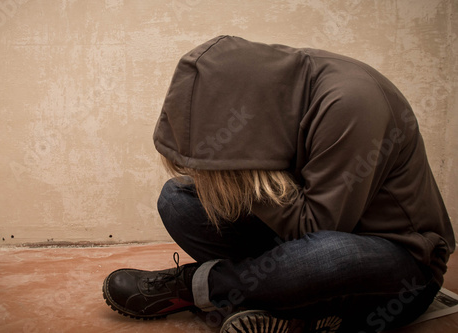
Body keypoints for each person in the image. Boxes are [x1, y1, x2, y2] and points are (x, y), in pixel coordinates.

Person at [102, 35, 455, 333]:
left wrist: (240, 170)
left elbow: (317, 230)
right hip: (298, 242)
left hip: (398, 266)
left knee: (326, 254)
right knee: (177, 199)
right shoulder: (270, 91)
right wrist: (232, 168)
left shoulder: (351, 102)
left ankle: (200, 286)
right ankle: (289, 307)